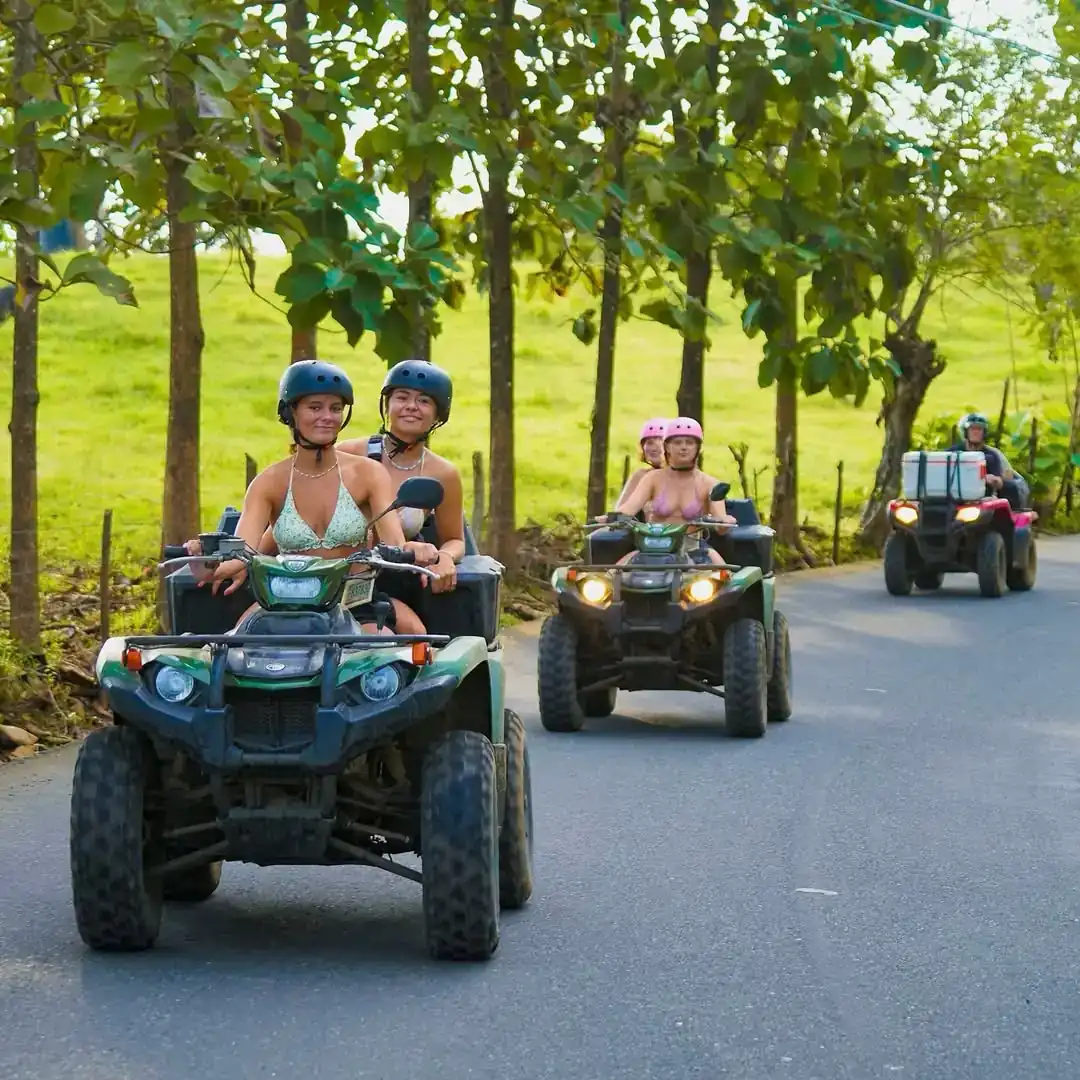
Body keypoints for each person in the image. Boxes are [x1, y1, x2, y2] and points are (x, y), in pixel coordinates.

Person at [193, 360, 439, 634]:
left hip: (355, 603)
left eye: (336, 408)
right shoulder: (268, 483)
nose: (327, 416)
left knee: (395, 647)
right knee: (235, 646)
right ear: (291, 412)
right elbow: (241, 554)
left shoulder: (369, 474)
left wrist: (415, 549)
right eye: (315, 407)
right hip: (284, 604)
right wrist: (203, 561)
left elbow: (395, 544)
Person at [336, 359, 466, 634]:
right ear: (387, 405)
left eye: (423, 401)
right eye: (402, 397)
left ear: (438, 414)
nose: (411, 406)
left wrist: (444, 557)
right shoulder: (348, 453)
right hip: (336, 572)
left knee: (420, 638)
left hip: (395, 582)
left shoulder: (443, 473)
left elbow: (455, 538)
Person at [612, 417, 737, 566]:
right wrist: (610, 517)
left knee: (725, 577)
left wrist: (725, 522)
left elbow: (720, 525)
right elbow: (628, 509)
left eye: (689, 442)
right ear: (667, 446)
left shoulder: (710, 484)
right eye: (677, 442)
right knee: (611, 575)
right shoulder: (652, 478)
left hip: (693, 549)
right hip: (651, 548)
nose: (683, 447)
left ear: (698, 447)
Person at [951, 411, 1027, 509]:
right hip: (955, 500)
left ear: (984, 432)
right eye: (972, 429)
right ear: (965, 432)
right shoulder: (952, 453)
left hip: (983, 502)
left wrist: (996, 481)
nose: (976, 432)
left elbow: (1002, 481)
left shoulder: (992, 455)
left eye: (979, 429)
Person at [613, 417, 668, 511]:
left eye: (660, 442)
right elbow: (620, 511)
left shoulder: (685, 475)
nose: (654, 448)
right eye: (650, 443)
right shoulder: (640, 475)